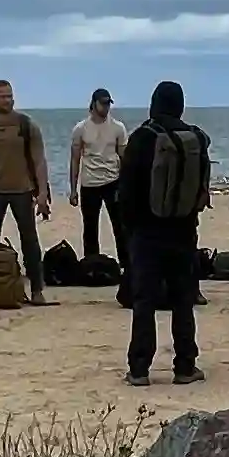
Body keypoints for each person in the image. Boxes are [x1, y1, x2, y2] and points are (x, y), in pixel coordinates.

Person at [116, 80, 209, 386]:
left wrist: (131, 228)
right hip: (184, 229)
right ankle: (185, 366)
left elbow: (126, 191)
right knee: (183, 298)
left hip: (147, 231)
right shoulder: (195, 137)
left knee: (145, 300)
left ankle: (140, 369)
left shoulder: (143, 137)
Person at [0, 79, 54, 299]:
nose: (8, 100)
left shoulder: (26, 124)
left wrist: (42, 193)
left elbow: (39, 160)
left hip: (22, 190)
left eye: (10, 95)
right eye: (3, 96)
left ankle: (36, 290)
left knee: (30, 240)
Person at [67, 89, 127, 261]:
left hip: (113, 181)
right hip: (89, 184)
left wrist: (125, 185)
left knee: (120, 226)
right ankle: (91, 263)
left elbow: (124, 157)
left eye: (109, 103)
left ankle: (126, 263)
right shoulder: (81, 129)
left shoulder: (118, 127)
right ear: (94, 103)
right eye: (103, 103)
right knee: (90, 227)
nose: (106, 107)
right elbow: (75, 160)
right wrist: (73, 190)